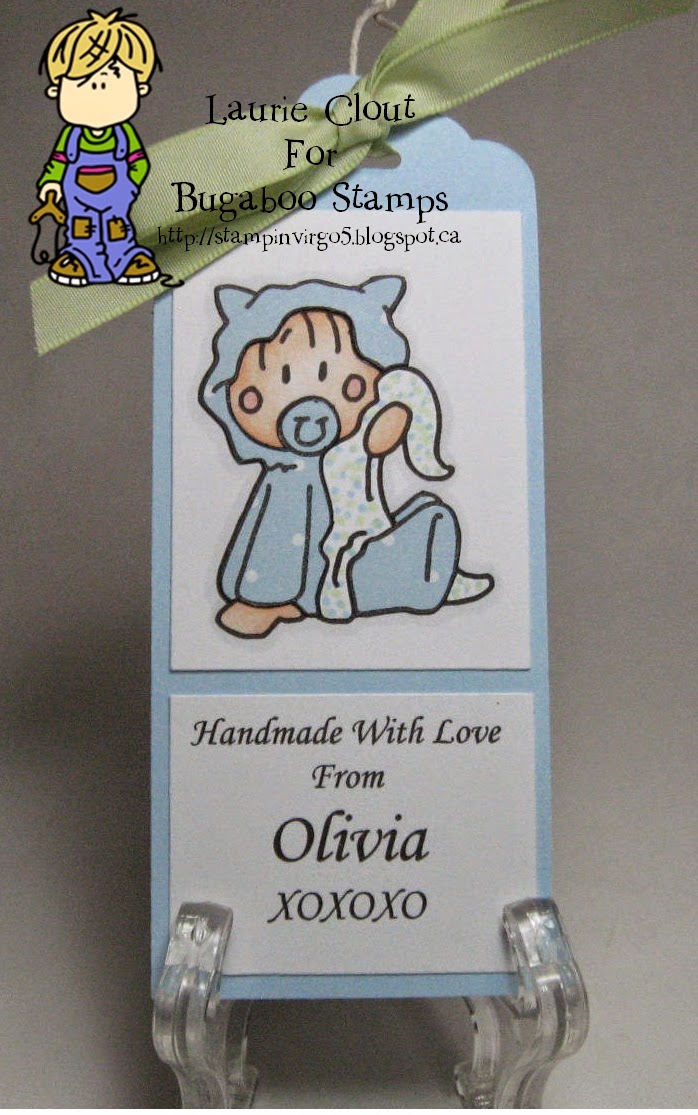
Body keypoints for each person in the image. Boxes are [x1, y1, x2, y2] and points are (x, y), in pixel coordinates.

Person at [200, 276, 495, 638]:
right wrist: (260, 597)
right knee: (288, 525)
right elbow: (272, 538)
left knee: (432, 516)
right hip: (331, 574)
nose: (308, 413)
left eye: (350, 388)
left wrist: (389, 423)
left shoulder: (349, 455)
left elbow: (377, 445)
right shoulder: (286, 473)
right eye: (257, 397)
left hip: (347, 554)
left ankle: (420, 576)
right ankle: (268, 599)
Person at [36, 8, 160, 287]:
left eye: (113, 78)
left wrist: (131, 185)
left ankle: (125, 259)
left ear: (139, 88)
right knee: (82, 229)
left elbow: (139, 161)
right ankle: (80, 259)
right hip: (78, 197)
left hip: (118, 194)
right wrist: (51, 183)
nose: (98, 88)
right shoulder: (70, 136)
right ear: (57, 91)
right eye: (82, 82)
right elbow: (58, 162)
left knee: (117, 229)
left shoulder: (125, 134)